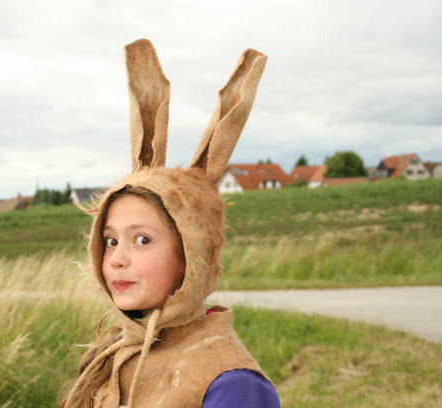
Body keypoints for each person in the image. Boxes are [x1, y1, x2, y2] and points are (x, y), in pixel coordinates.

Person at [62, 39, 279, 408]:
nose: (117, 258)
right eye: (111, 240)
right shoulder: (115, 353)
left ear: (191, 257)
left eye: (142, 240)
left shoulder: (229, 382)